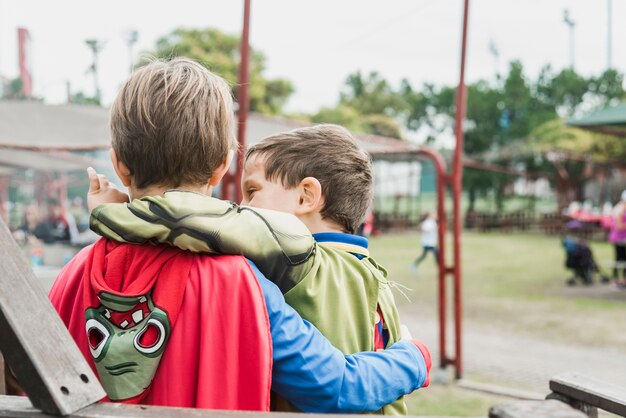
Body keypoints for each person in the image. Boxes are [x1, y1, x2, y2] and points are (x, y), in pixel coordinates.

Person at [50, 58, 430, 412]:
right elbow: (332, 383)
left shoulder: (71, 276)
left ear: (118, 164)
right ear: (222, 167)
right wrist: (415, 357)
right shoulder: (246, 281)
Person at [608, 190, 626, 287]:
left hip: (622, 238)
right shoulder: (620, 209)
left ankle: (622, 280)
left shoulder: (622, 208)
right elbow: (619, 226)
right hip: (619, 238)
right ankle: (616, 280)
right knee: (619, 259)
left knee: (621, 259)